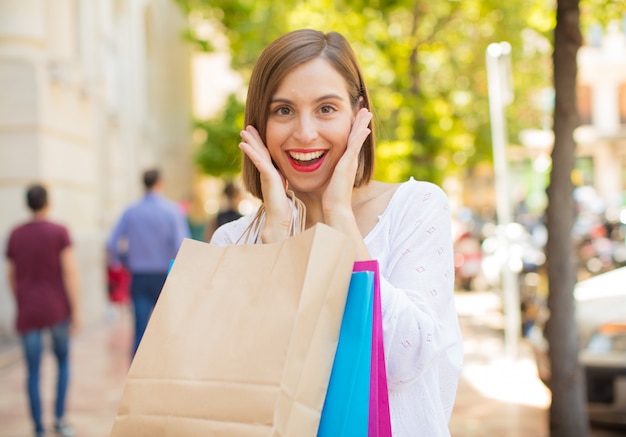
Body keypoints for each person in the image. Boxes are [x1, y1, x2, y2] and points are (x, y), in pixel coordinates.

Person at [209, 29, 464, 436]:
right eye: (283, 111)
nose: (306, 133)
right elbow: (240, 386)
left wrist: (339, 216)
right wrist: (277, 240)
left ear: (358, 114)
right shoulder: (233, 242)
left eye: (326, 108)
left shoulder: (415, 209)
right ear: (258, 124)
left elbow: (402, 363)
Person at [5, 184, 80, 437]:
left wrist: (22, 300)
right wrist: (76, 310)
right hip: (57, 308)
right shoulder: (59, 232)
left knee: (33, 370)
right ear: (48, 203)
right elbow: (70, 272)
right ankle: (60, 419)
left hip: (28, 311)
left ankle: (38, 428)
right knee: (63, 363)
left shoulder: (15, 234)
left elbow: (11, 276)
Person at [107, 168, 190, 357]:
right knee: (167, 330)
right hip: (164, 277)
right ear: (161, 183)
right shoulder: (172, 210)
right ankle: (165, 373)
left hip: (139, 277)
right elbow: (182, 245)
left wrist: (125, 261)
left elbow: (112, 243)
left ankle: (136, 379)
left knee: (140, 331)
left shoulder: (131, 212)